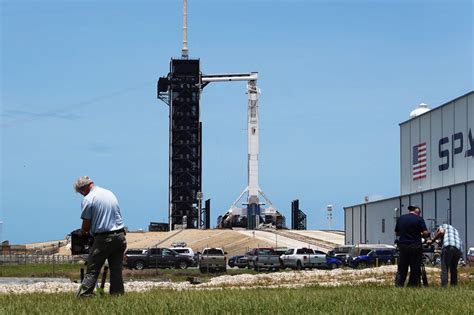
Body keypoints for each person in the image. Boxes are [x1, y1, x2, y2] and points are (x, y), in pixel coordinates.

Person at [74, 176, 127, 297]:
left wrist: (82, 232)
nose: (81, 195)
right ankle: (117, 296)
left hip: (104, 238)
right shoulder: (109, 193)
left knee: (92, 270)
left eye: (80, 192)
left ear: (83, 189)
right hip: (120, 236)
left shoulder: (89, 199)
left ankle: (83, 297)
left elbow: (86, 225)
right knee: (116, 271)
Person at [394, 205, 430, 287]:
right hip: (415, 246)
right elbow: (425, 233)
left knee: (402, 268)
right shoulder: (419, 219)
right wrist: (423, 234)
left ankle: (399, 285)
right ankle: (412, 286)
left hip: (403, 246)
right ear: (417, 211)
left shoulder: (401, 218)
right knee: (415, 268)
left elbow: (396, 233)